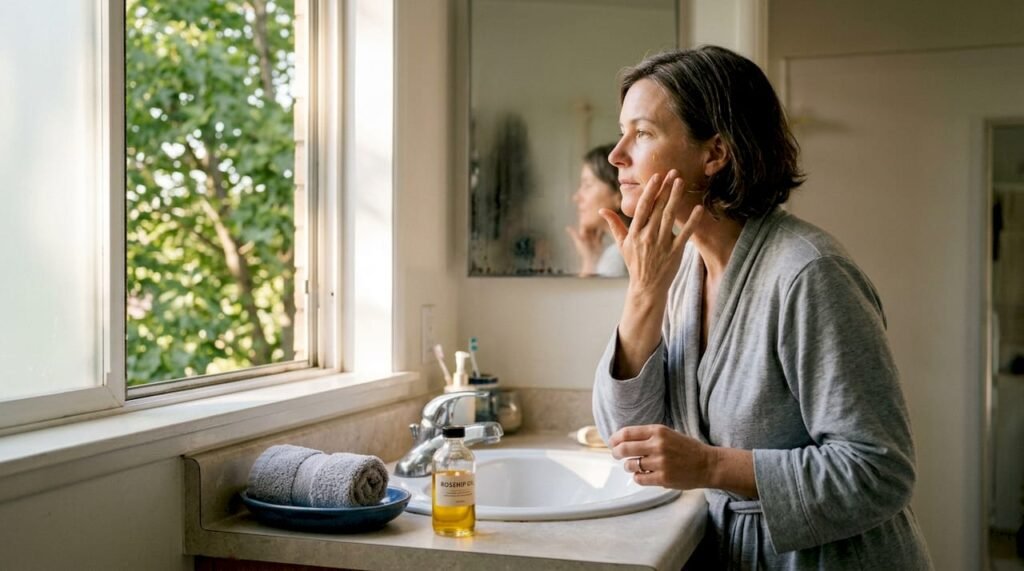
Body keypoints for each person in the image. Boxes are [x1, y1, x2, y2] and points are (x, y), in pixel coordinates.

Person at [591, 46, 932, 569]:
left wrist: (710, 465)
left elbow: (879, 472)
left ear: (715, 153)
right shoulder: (682, 272)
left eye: (641, 133)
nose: (616, 155)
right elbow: (629, 442)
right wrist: (643, 293)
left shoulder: (807, 273)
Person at [566, 144, 628, 277]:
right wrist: (590, 260)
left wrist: (589, 263)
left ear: (619, 194)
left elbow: (582, 298)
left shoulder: (616, 258)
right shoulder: (620, 254)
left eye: (587, 185)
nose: (576, 197)